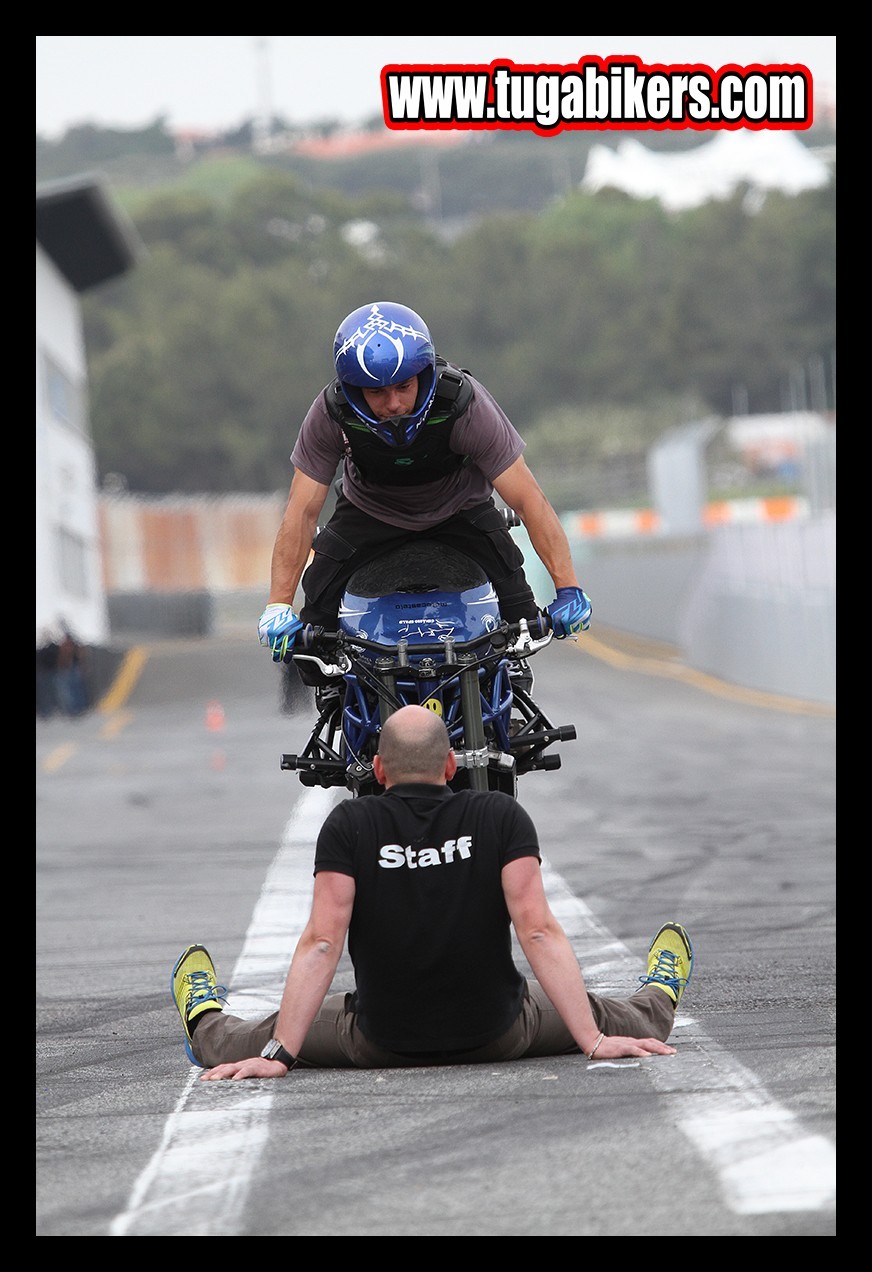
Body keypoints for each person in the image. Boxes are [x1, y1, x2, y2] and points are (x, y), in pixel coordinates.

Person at [170, 705, 693, 1079]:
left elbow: (323, 942)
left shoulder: (350, 824)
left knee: (255, 1034)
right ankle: (659, 997)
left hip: (380, 1042)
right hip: (499, 1036)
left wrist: (280, 1052)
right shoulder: (499, 815)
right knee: (602, 1008)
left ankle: (203, 1021)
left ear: (377, 771)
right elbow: (537, 929)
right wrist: (593, 1041)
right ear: (451, 766)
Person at [256, 300, 592, 696]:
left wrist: (567, 589)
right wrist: (278, 605)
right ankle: (340, 697)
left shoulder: (464, 404)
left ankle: (506, 696)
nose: (394, 404)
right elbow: (302, 512)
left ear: (424, 375)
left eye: (404, 386)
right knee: (314, 642)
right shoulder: (331, 414)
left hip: (460, 511)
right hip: (368, 514)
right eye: (377, 392)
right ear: (353, 390)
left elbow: (529, 501)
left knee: (521, 617)